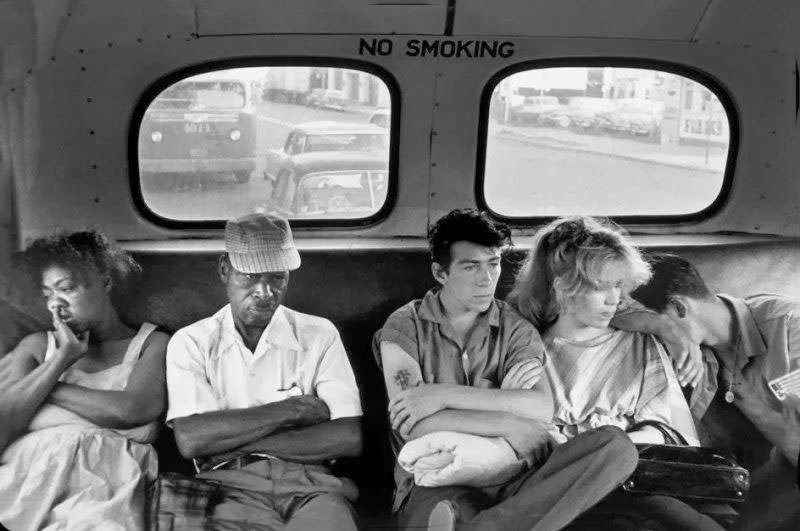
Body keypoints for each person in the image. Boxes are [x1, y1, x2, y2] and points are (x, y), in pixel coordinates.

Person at [374, 209, 639, 531]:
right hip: (436, 478)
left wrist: (443, 395)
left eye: (494, 264)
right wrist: (510, 422)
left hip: (516, 474)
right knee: (448, 514)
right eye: (471, 267)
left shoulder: (515, 327)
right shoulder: (405, 326)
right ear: (440, 273)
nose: (486, 279)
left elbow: (540, 407)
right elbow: (413, 424)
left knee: (615, 446)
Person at [508, 216, 721, 531]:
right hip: (554, 486)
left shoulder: (640, 343)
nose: (616, 299)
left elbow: (669, 433)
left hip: (634, 480)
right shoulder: (526, 346)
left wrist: (610, 448)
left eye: (619, 285)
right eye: (601, 288)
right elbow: (522, 436)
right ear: (564, 289)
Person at [165, 213, 363, 531]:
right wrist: (294, 409)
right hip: (229, 488)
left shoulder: (319, 334)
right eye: (251, 276)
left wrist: (229, 442)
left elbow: (347, 437)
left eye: (277, 277)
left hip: (312, 485)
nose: (265, 291)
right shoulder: (192, 342)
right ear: (224, 270)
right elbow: (191, 440)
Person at [0, 230, 168, 531]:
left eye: (66, 288)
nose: (55, 304)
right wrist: (60, 360)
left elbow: (131, 410)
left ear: (105, 281)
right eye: (48, 293)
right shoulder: (38, 346)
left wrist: (45, 386)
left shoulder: (152, 344)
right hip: (24, 479)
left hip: (104, 484)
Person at [631, 253, 800, 531]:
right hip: (758, 472)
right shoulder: (702, 353)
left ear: (679, 307)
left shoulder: (789, 328)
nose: (657, 339)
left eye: (659, 327)